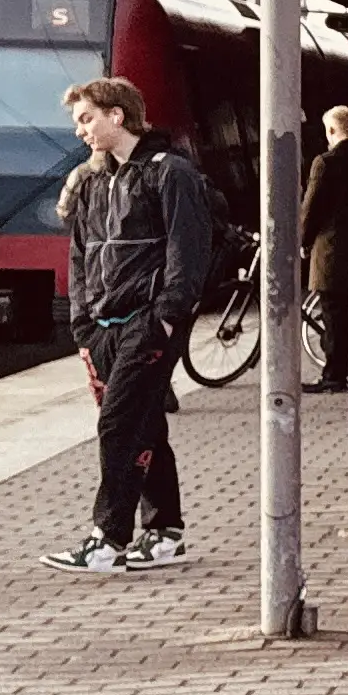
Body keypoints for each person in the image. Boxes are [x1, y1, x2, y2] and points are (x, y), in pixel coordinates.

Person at [47, 75, 214, 575]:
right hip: (103, 324)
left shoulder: (170, 174)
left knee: (117, 424)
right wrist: (83, 325)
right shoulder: (93, 180)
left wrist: (165, 319)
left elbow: (189, 252)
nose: (81, 131)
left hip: (147, 323)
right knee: (144, 423)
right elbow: (80, 256)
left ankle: (107, 538)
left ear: (117, 116)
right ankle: (164, 532)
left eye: (87, 118)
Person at [298, 103, 348, 395]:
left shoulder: (325, 162)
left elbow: (311, 209)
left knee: (333, 316)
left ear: (333, 130)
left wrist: (302, 241)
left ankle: (334, 376)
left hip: (332, 253)